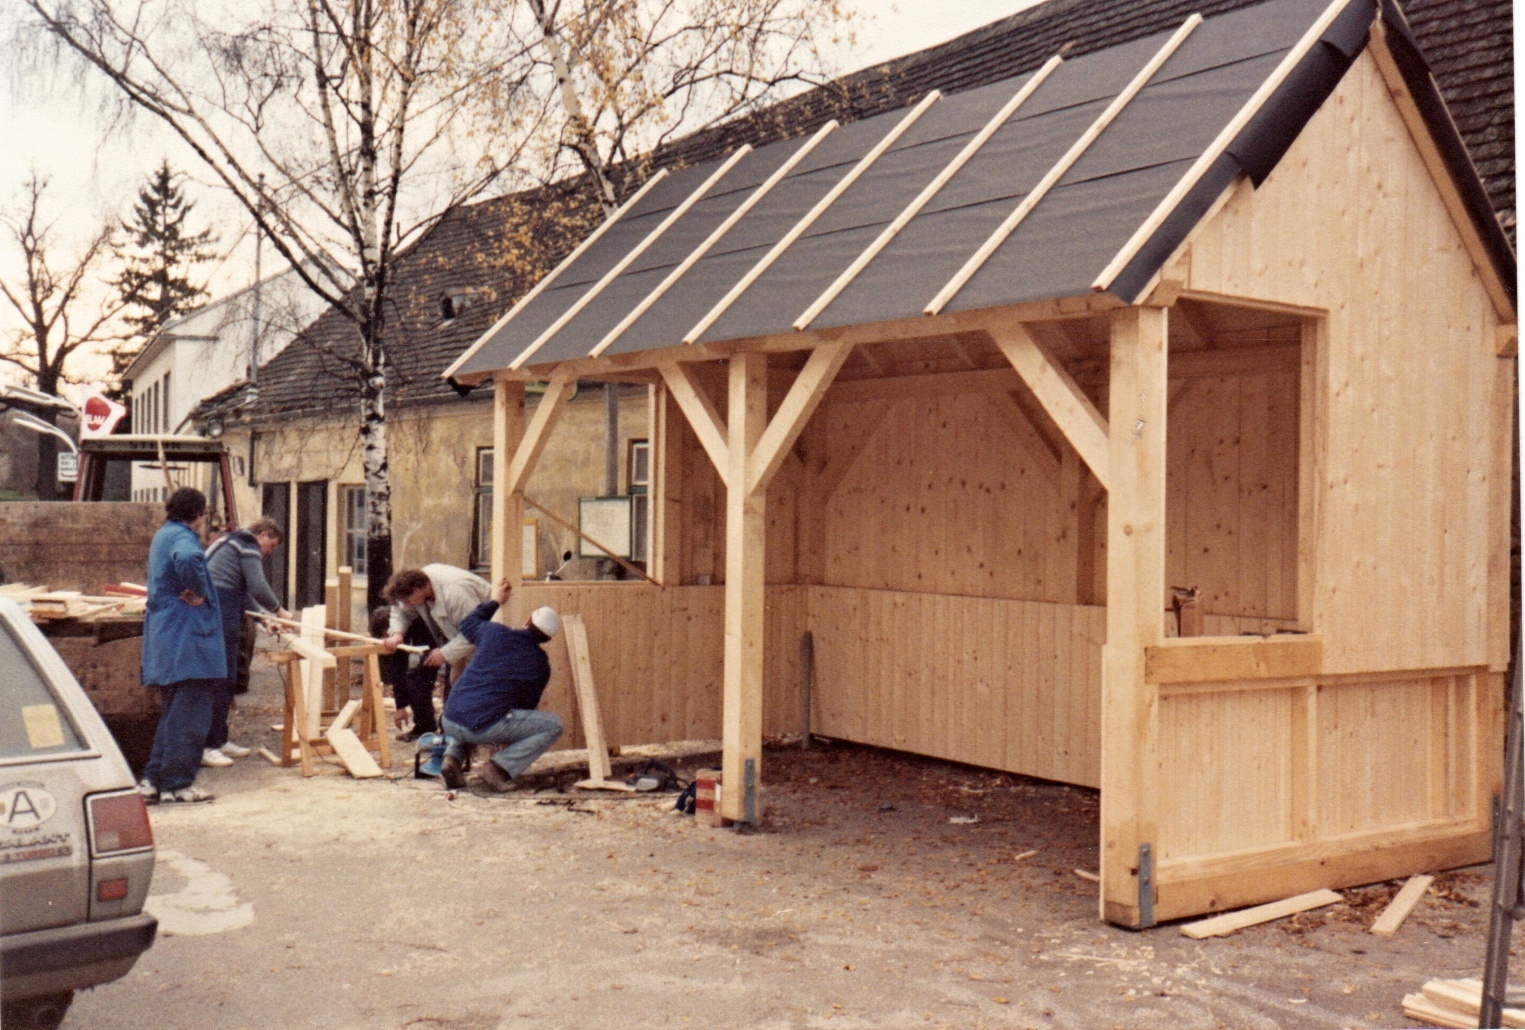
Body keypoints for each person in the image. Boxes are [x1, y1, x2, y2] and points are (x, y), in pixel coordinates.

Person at [137, 488, 224, 804]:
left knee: (173, 715)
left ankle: (153, 781)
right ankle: (177, 784)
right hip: (189, 641)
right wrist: (199, 589)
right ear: (199, 514)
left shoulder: (164, 534)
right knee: (190, 717)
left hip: (167, 639)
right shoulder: (185, 541)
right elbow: (188, 559)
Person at [437, 578, 562, 792]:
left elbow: (467, 624)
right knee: (553, 726)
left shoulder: (494, 632)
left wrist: (494, 601)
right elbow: (526, 706)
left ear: (527, 620)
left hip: (449, 718)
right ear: (547, 639)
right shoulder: (540, 665)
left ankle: (452, 759)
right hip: (481, 726)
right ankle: (498, 768)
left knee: (472, 708)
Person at [201, 517, 290, 767]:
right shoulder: (247, 543)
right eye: (270, 546)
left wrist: (266, 619)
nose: (268, 552)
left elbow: (245, 594)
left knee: (228, 677)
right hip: (218, 608)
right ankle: (207, 746)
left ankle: (219, 739)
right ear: (262, 535)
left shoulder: (233, 543)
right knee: (219, 678)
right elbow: (258, 585)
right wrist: (279, 611)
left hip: (225, 604)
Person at [381, 564, 490, 684]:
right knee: (458, 687)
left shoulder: (455, 593)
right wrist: (397, 633)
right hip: (463, 639)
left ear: (417, 590)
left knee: (476, 687)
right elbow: (400, 610)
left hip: (489, 640)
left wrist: (445, 653)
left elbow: (476, 631)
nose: (407, 604)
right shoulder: (417, 587)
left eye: (407, 601)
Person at [369, 606, 440, 741]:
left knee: (418, 680)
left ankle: (442, 730)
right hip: (424, 648)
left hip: (439, 645)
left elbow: (420, 661)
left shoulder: (418, 625)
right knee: (413, 679)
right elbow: (398, 670)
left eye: (387, 636)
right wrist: (400, 706)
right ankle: (425, 727)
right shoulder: (397, 638)